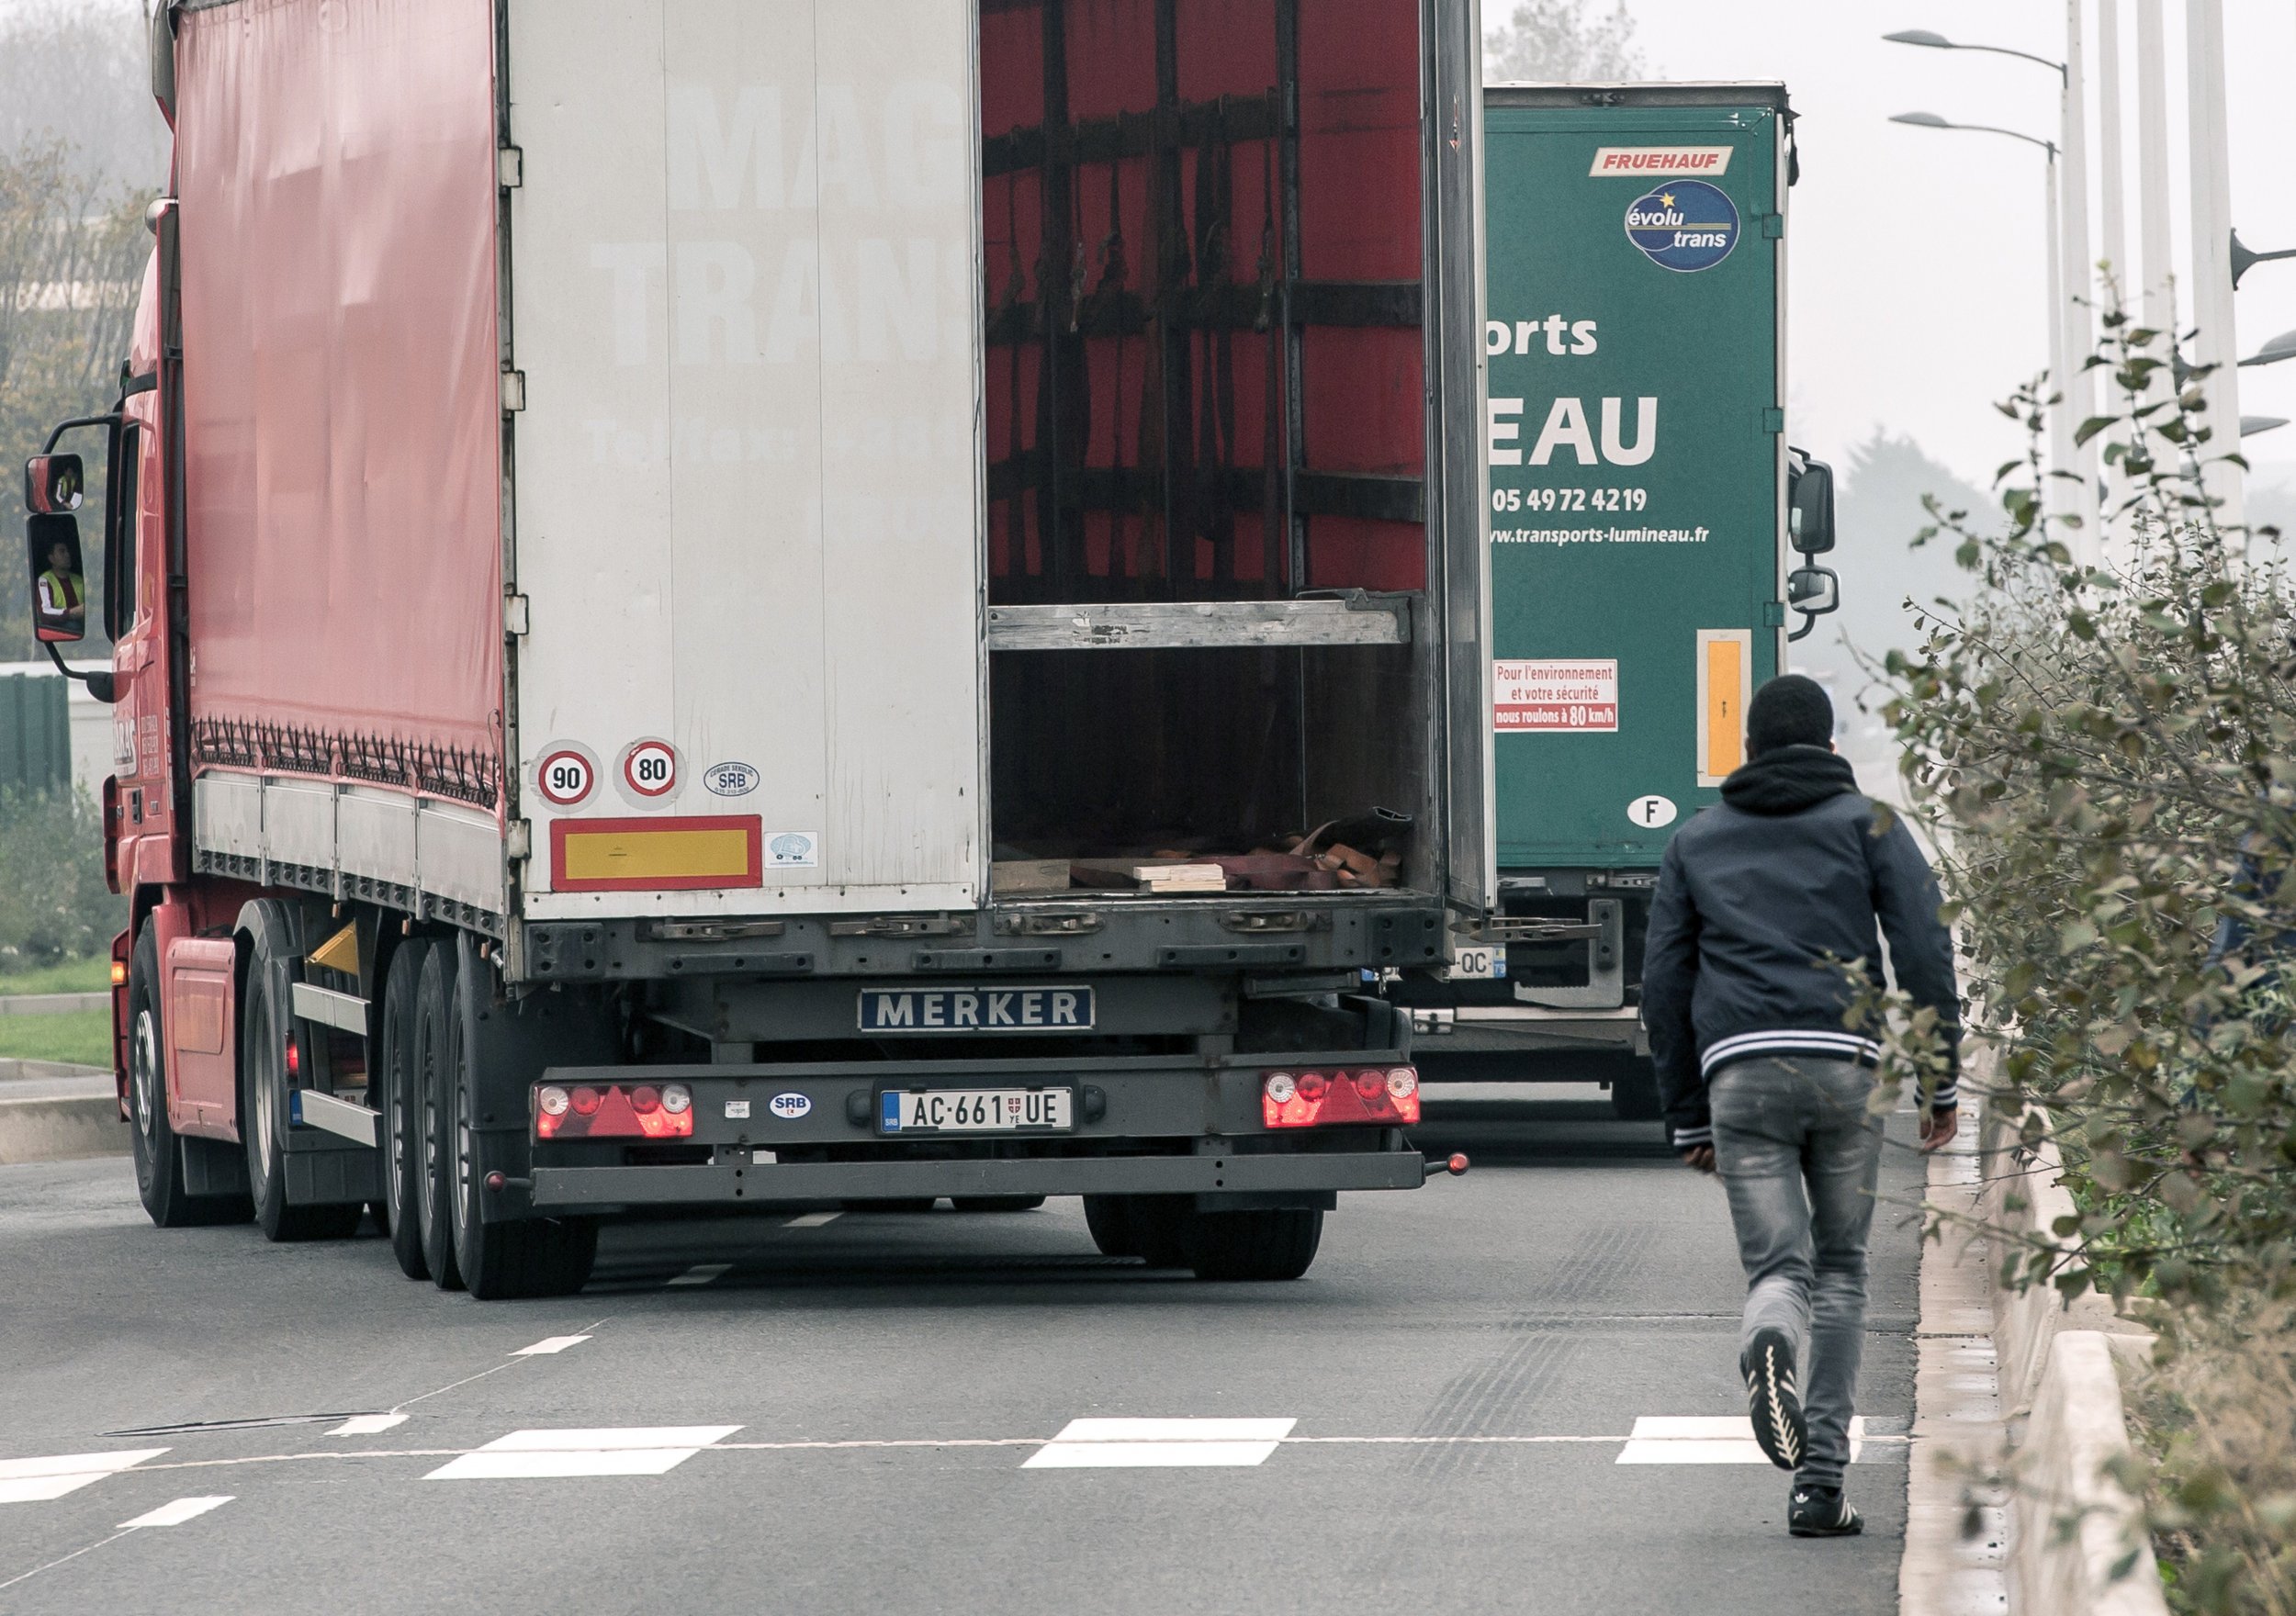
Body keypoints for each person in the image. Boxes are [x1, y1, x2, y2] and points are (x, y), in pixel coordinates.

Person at [1641, 673, 1961, 1540]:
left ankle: (1767, 1335)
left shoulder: (1697, 840)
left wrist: (1685, 1115)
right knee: (1845, 1271)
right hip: (1844, 1070)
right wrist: (1940, 1080)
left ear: (1747, 750)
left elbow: (1663, 984)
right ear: (1829, 747)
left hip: (1739, 1077)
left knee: (1779, 1271)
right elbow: (1925, 950)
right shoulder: (1870, 826)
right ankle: (1821, 1484)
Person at [34, 535, 84, 639]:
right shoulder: (45, 580)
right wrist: (71, 613)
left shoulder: (79, 580)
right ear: (51, 558)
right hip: (59, 630)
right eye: (62, 551)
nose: (67, 555)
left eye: (68, 551)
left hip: (84, 630)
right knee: (74, 626)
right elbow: (44, 612)